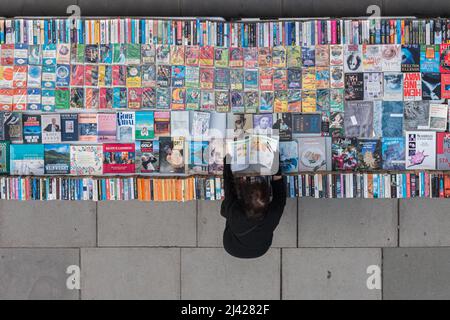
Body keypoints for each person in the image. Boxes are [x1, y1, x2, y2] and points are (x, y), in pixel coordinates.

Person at [221, 156, 286, 259]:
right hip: (260, 249)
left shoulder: (235, 214)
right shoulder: (272, 215)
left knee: (226, 209)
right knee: (227, 209)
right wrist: (276, 169)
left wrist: (227, 163)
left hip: (232, 246)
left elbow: (228, 187)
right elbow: (280, 195)